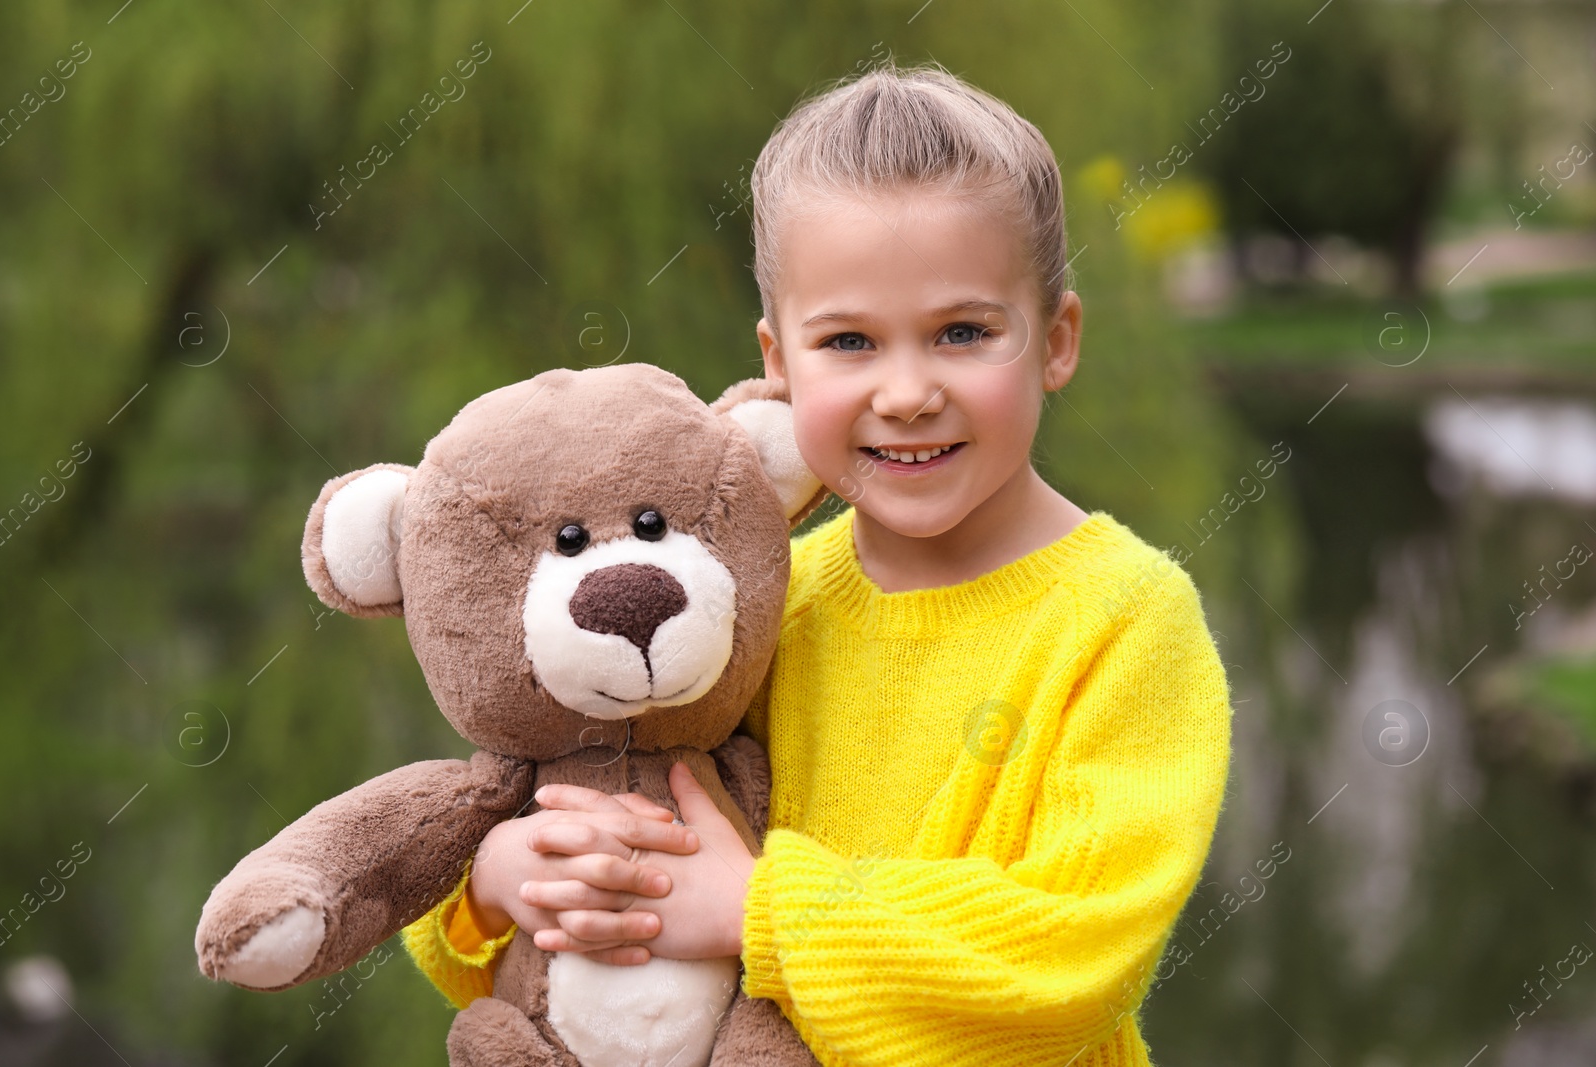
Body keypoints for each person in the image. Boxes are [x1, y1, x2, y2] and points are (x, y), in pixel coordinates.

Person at [401, 59, 1232, 1066]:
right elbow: (578, 807)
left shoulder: (1126, 620)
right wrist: (502, 874)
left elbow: (1069, 956)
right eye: (849, 341)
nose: (908, 389)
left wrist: (759, 909)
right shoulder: (754, 605)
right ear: (778, 363)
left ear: (1054, 340)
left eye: (962, 331)